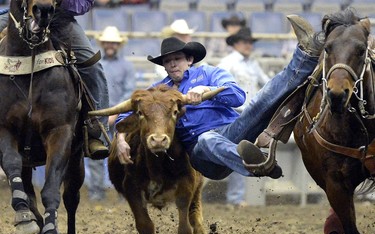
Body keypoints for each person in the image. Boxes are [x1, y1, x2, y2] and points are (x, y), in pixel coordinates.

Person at [114, 15, 321, 183]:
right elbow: (128, 113)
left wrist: (207, 89)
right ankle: (257, 164)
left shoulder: (208, 73)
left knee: (261, 100)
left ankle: (307, 55)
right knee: (207, 139)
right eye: (167, 62)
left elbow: (238, 96)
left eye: (177, 59)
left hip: (233, 131)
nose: (172, 64)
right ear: (164, 67)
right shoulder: (159, 92)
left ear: (189, 59)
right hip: (200, 153)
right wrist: (121, 139)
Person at [0, 1, 110, 160]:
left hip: (58, 19)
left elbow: (83, 3)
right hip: (19, 15)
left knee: (93, 67)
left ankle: (96, 130)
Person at [217, 26, 270, 207]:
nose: (248, 45)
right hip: (234, 114)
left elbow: (267, 83)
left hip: (250, 114)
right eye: (244, 42)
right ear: (236, 44)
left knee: (242, 153)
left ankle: (237, 198)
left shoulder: (252, 64)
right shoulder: (228, 62)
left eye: (249, 42)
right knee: (238, 152)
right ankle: (236, 198)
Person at [85, 25, 136, 201]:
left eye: (113, 43)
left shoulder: (127, 66)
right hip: (99, 116)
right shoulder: (96, 65)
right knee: (96, 154)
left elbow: (129, 91)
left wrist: (115, 113)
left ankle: (125, 193)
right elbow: (92, 89)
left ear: (118, 45)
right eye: (107, 42)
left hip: (120, 116)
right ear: (103, 43)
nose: (110, 45)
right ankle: (96, 193)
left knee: (123, 154)